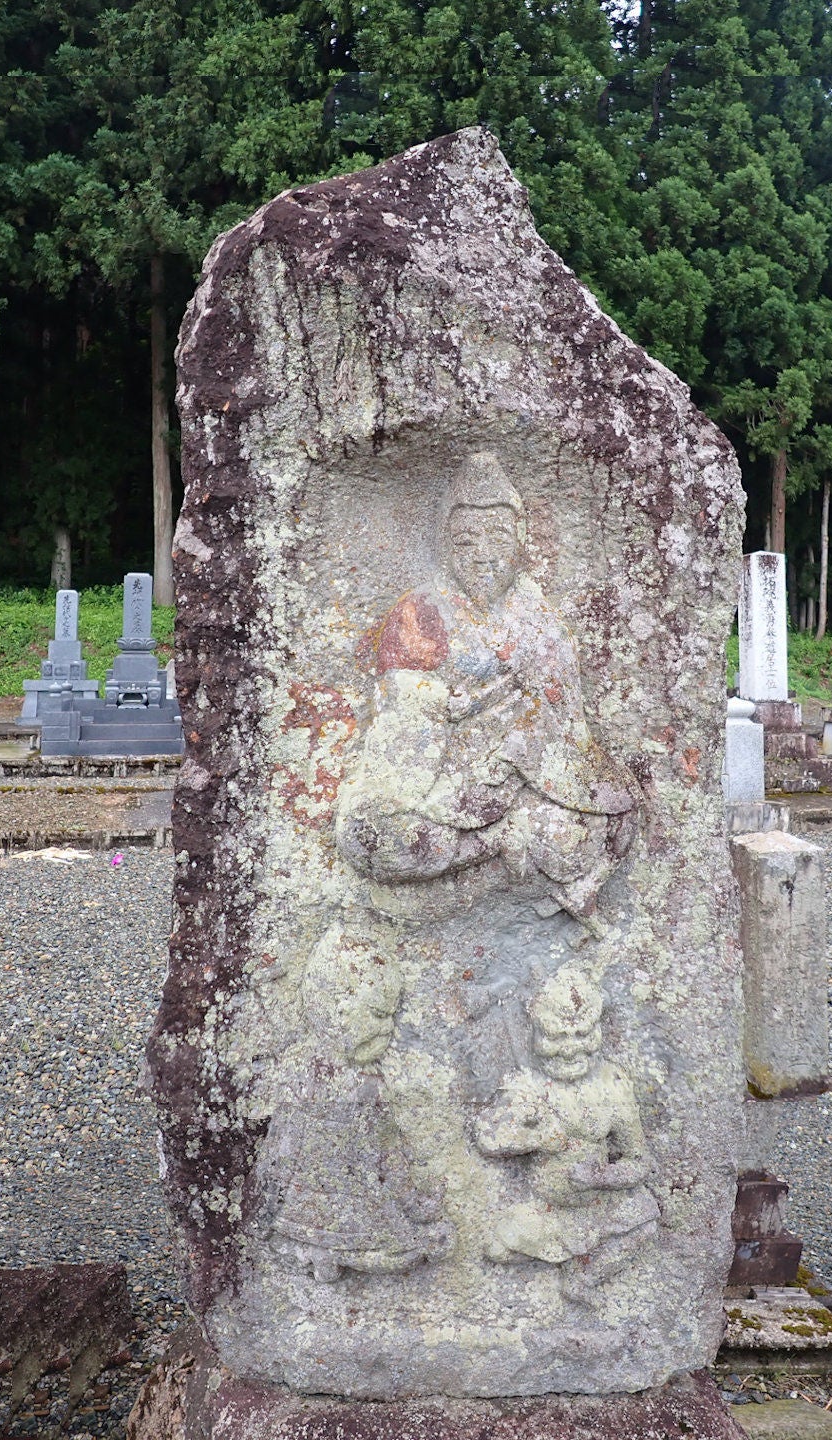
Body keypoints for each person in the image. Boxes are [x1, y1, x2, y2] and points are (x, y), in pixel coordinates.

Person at [336, 451, 637, 925]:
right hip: (440, 782)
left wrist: (527, 737)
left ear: (520, 541)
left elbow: (572, 731)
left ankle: (474, 881)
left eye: (497, 536)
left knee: (593, 825)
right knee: (369, 836)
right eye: (466, 539)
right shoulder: (419, 612)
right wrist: (444, 708)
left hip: (528, 780)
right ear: (444, 544)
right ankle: (494, 855)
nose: (483, 552)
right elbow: (398, 732)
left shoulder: (542, 624)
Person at [254, 928, 454, 1281]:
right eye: (377, 1014)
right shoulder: (301, 1075)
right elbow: (281, 1151)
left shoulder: (371, 1084)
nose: (387, 1028)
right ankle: (315, 1251)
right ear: (330, 1006)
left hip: (359, 1198)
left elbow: (387, 1153)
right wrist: (265, 1209)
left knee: (403, 1252)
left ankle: (322, 1254)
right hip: (316, 1201)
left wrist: (413, 1202)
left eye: (391, 1016)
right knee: (401, 1250)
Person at [473, 967, 659, 1300]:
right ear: (536, 1034)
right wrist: (532, 1136)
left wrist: (603, 1177)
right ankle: (541, 1281)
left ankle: (585, 1276)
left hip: (598, 1203)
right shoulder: (526, 1085)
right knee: (497, 1247)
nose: (571, 1049)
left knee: (644, 1218)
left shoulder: (611, 1086)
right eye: (557, 1037)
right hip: (546, 1208)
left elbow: (640, 1160)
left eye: (582, 1035)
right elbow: (487, 1136)